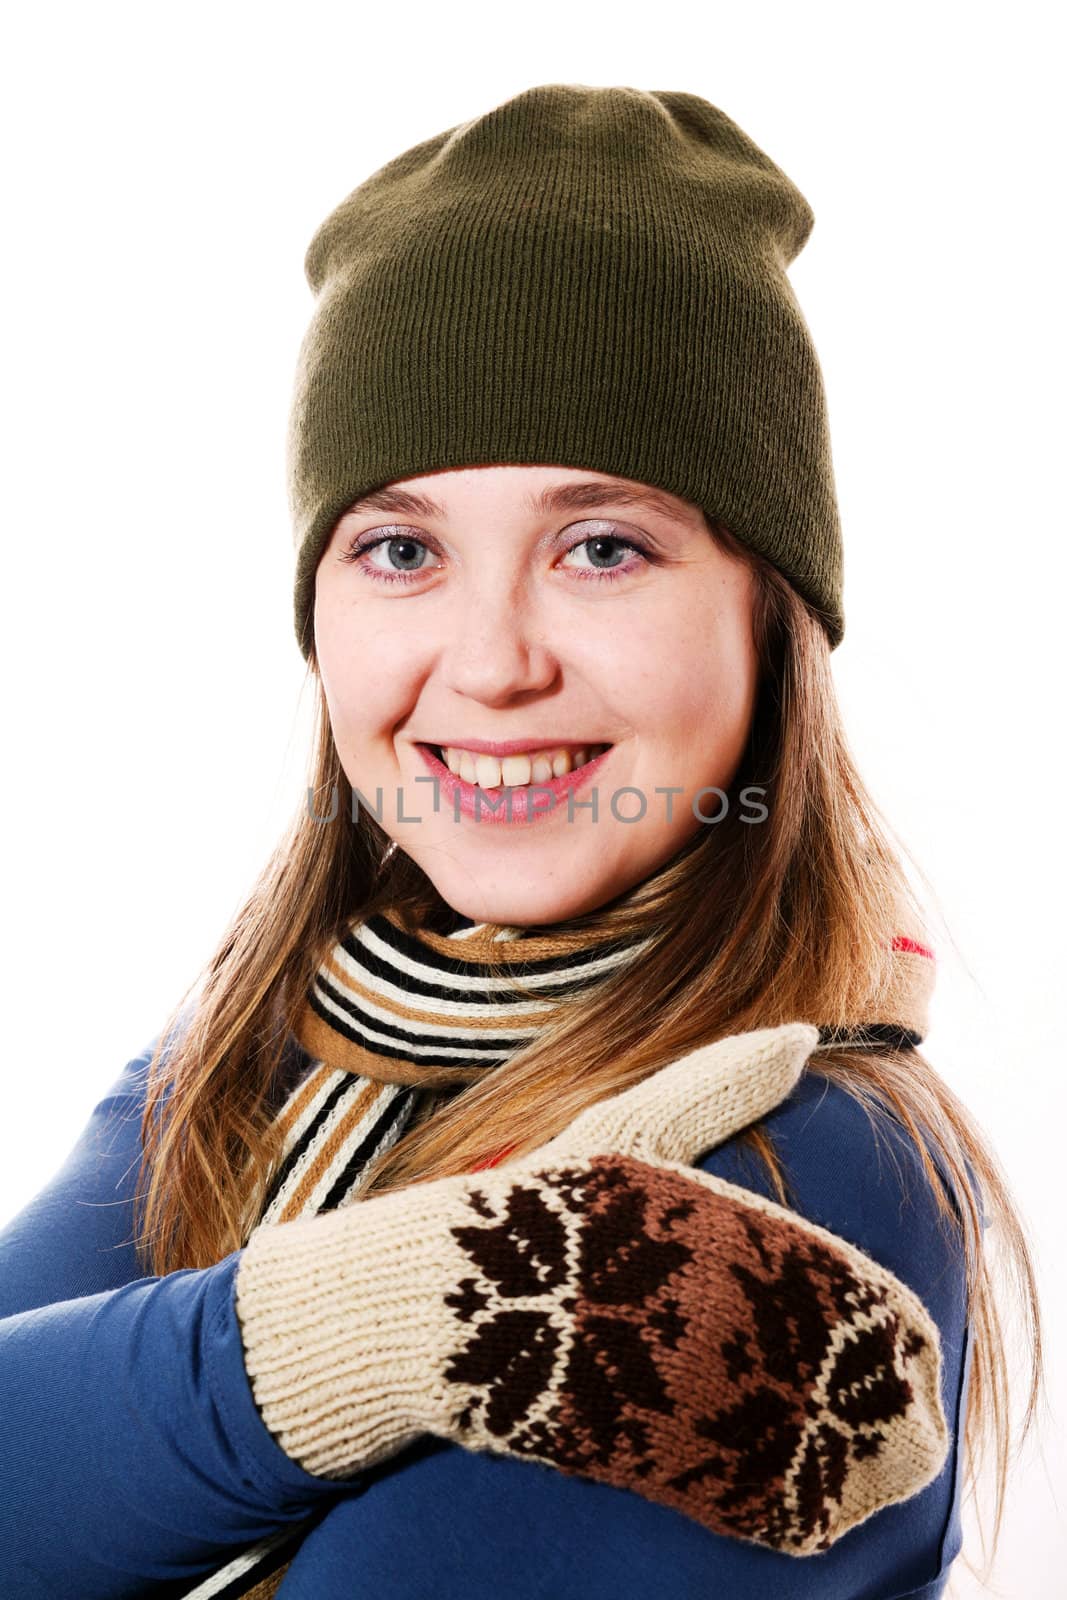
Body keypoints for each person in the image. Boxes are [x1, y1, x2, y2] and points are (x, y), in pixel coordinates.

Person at [0, 83, 1043, 1600]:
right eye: (402, 550)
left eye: (603, 547)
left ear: (774, 620)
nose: (490, 664)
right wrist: (366, 1320)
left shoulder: (816, 1166)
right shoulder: (269, 1044)